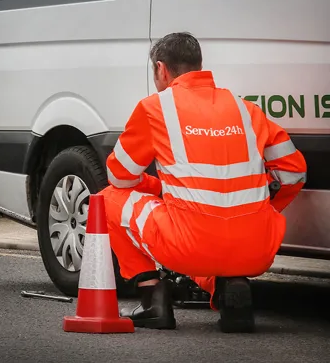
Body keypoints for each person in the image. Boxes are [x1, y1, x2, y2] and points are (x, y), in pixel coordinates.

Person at [99, 32, 307, 333]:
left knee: (107, 198)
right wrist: (263, 208)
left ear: (161, 69)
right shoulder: (245, 109)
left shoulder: (155, 108)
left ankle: (152, 298)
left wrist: (157, 188)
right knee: (211, 236)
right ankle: (228, 284)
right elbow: (294, 173)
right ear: (199, 65)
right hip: (256, 248)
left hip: (189, 245)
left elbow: (119, 176)